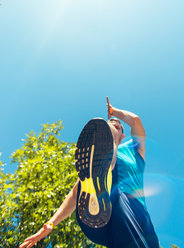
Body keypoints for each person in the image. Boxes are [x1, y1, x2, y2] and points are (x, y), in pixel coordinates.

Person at [19, 97, 159, 248]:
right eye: (110, 126)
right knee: (83, 184)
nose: (113, 125)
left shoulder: (134, 151)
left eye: (117, 127)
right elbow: (74, 196)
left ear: (123, 137)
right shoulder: (90, 165)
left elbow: (136, 121)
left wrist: (114, 113)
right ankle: (99, 189)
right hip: (99, 218)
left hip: (133, 210)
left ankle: (104, 178)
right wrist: (50, 224)